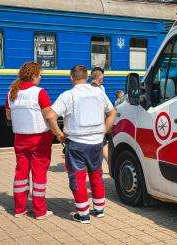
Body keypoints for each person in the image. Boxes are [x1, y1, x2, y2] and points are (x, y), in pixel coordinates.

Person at [46, 65, 116, 224]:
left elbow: (50, 116)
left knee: (77, 178)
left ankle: (83, 214)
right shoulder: (99, 92)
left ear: (71, 78)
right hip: (96, 142)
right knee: (96, 174)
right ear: (86, 77)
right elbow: (112, 112)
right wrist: (103, 130)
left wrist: (59, 135)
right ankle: (99, 209)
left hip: (76, 143)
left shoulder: (68, 95)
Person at [5, 62, 54, 220]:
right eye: (40, 74)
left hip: (20, 139)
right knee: (39, 176)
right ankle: (40, 211)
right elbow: (48, 115)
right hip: (39, 139)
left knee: (21, 174)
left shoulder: (11, 93)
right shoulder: (40, 92)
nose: (41, 77)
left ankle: (19, 209)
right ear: (33, 75)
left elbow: (8, 117)